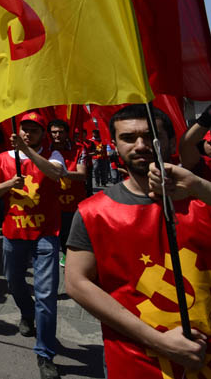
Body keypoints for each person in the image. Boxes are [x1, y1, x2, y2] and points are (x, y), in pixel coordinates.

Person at [65, 104, 211, 377]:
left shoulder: (202, 198)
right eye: (128, 138)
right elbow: (76, 283)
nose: (141, 145)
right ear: (116, 146)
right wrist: (159, 342)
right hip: (134, 363)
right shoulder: (92, 212)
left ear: (169, 141)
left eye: (150, 135)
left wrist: (198, 186)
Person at [0, 111, 66, 379]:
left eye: (33, 130)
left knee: (46, 295)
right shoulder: (2, 159)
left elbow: (55, 174)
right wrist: (11, 182)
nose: (27, 134)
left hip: (46, 234)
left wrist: (27, 153)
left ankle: (45, 354)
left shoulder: (53, 156)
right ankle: (26, 312)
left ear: (42, 134)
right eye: (24, 129)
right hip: (13, 233)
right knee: (14, 282)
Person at [47, 119, 88, 267]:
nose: (57, 135)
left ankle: (71, 262)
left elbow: (82, 175)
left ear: (67, 133)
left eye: (60, 132)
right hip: (50, 201)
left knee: (68, 234)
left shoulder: (79, 149)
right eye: (53, 132)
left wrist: (62, 172)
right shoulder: (45, 149)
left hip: (73, 201)